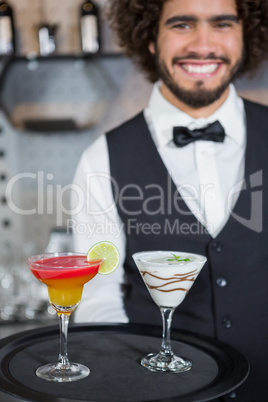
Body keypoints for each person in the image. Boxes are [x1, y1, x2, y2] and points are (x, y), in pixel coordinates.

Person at [71, 0, 268, 400]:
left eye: (222, 23)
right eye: (182, 24)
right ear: (149, 38)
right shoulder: (101, 161)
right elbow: (98, 297)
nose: (203, 44)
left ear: (244, 36)